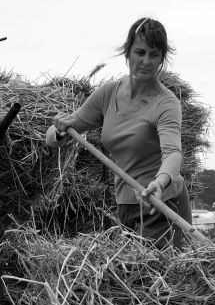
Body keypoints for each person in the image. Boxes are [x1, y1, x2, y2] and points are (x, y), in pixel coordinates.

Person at [46, 17, 192, 250]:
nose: (146, 61)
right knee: (135, 280)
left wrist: (160, 182)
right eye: (140, 52)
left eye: (154, 54)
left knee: (157, 281)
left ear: (162, 59)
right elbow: (56, 135)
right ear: (128, 53)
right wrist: (60, 130)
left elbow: (173, 154)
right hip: (126, 203)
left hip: (160, 203)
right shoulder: (108, 93)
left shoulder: (165, 103)